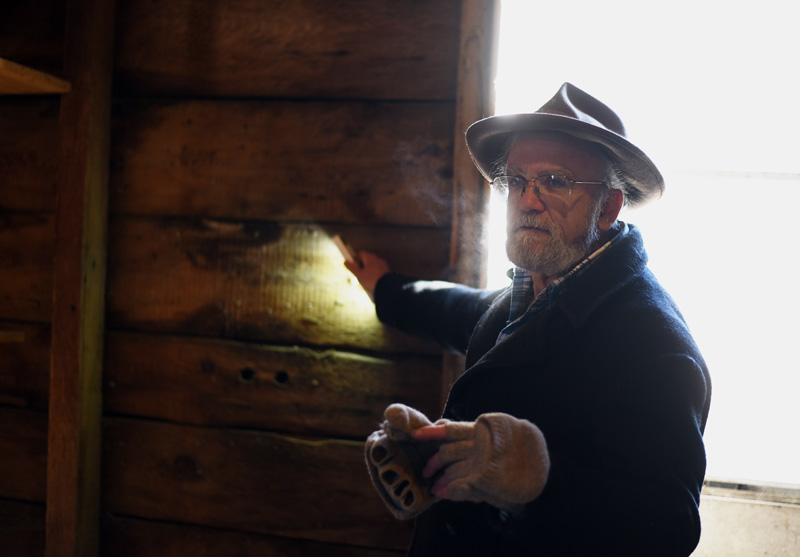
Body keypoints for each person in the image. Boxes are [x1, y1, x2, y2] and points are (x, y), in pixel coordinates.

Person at [349, 83, 711, 556]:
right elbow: (456, 310)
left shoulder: (651, 342)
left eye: (556, 182)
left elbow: (670, 526)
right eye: (517, 181)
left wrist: (540, 478)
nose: (527, 200)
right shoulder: (526, 296)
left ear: (610, 208)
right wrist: (433, 454)